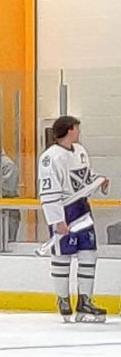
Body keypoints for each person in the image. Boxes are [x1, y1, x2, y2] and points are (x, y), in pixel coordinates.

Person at [38, 115, 110, 322]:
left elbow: (84, 178)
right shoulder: (50, 157)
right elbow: (48, 191)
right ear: (69, 129)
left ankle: (85, 301)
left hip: (82, 209)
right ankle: (63, 299)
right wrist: (56, 220)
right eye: (76, 128)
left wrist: (99, 181)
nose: (79, 132)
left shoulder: (80, 151)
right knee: (62, 255)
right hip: (64, 210)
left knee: (89, 253)